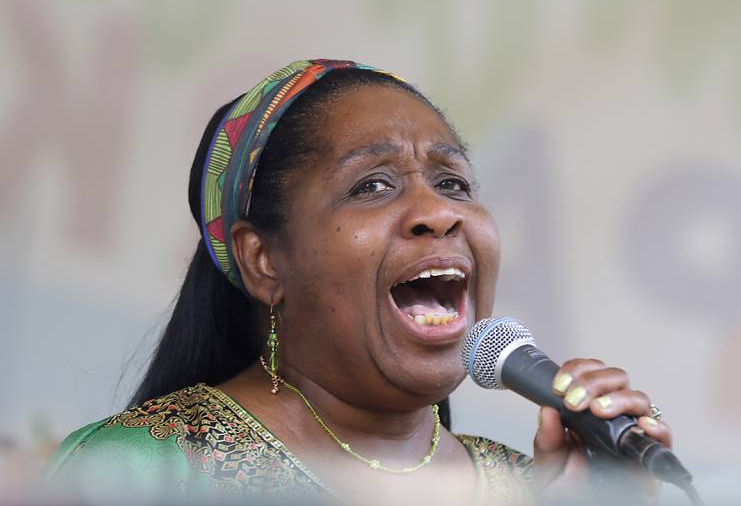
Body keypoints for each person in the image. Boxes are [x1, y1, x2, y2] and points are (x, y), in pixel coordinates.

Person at [44, 59, 672, 504]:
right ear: (265, 260)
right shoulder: (147, 469)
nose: (442, 212)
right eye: (372, 185)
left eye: (453, 183)